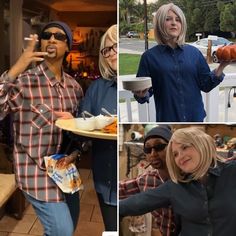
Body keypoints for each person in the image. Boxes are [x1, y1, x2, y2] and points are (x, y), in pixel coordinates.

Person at [0, 21, 83, 236]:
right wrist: (17, 68)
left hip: (65, 169)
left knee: (69, 226)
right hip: (34, 170)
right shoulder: (24, 81)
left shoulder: (74, 88)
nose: (52, 39)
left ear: (68, 46)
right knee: (62, 230)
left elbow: (79, 133)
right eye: (47, 35)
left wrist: (75, 152)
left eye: (59, 36)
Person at [119, 127, 236, 236]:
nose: (180, 156)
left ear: (201, 144)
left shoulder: (231, 171)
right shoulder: (175, 186)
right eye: (175, 154)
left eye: (185, 147)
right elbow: (136, 203)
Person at [133, 3, 231, 122]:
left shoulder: (195, 53)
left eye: (178, 20)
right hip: (168, 122)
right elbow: (143, 93)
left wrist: (222, 66)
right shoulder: (149, 57)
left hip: (196, 120)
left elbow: (206, 85)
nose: (174, 23)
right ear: (159, 24)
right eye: (168, 19)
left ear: (182, 25)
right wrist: (141, 94)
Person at [79, 24, 117, 231]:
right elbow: (82, 126)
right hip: (105, 179)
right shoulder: (97, 88)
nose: (112, 53)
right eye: (107, 49)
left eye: (116, 46)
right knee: (111, 229)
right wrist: (75, 123)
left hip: (131, 182)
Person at [119, 125, 178, 236]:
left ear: (172, 147)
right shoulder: (148, 179)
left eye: (159, 146)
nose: (153, 154)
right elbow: (121, 188)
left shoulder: (186, 178)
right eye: (147, 149)